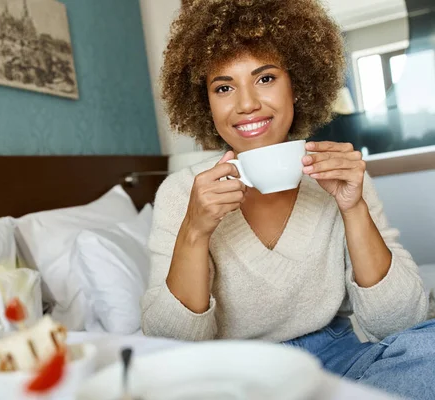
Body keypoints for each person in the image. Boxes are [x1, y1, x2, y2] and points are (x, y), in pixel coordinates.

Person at [140, 0, 435, 398]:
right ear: (205, 104)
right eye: (224, 87)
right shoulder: (181, 193)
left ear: (297, 83)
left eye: (265, 79)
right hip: (234, 378)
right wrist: (194, 230)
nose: (246, 104)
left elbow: (400, 323)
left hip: (338, 358)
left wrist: (354, 208)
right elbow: (170, 348)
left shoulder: (340, 176)